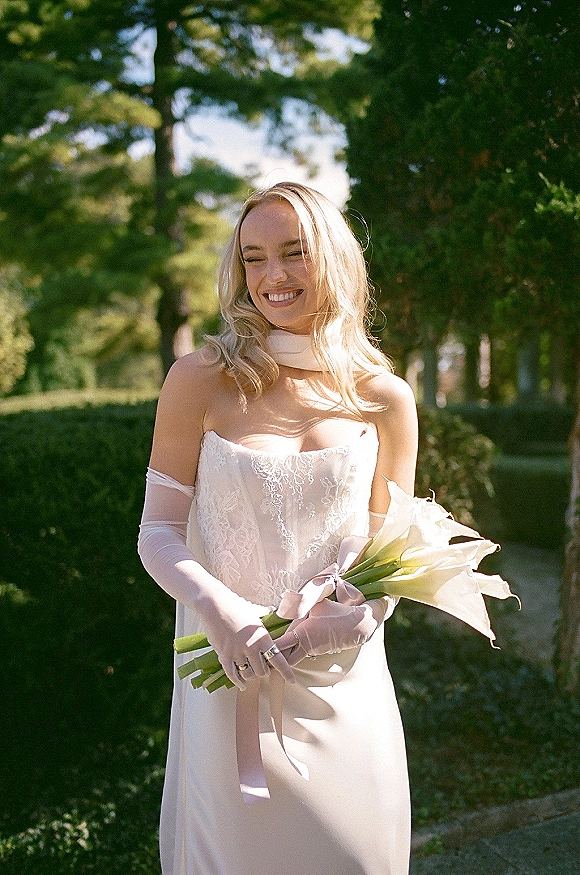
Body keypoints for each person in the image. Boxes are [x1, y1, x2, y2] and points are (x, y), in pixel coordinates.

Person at [138, 181, 419, 875]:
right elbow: (158, 532)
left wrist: (362, 615)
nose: (273, 276)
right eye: (254, 257)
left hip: (344, 687)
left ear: (335, 260)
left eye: (294, 253)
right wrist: (221, 610)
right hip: (230, 683)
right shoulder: (199, 380)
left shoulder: (384, 397)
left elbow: (396, 548)